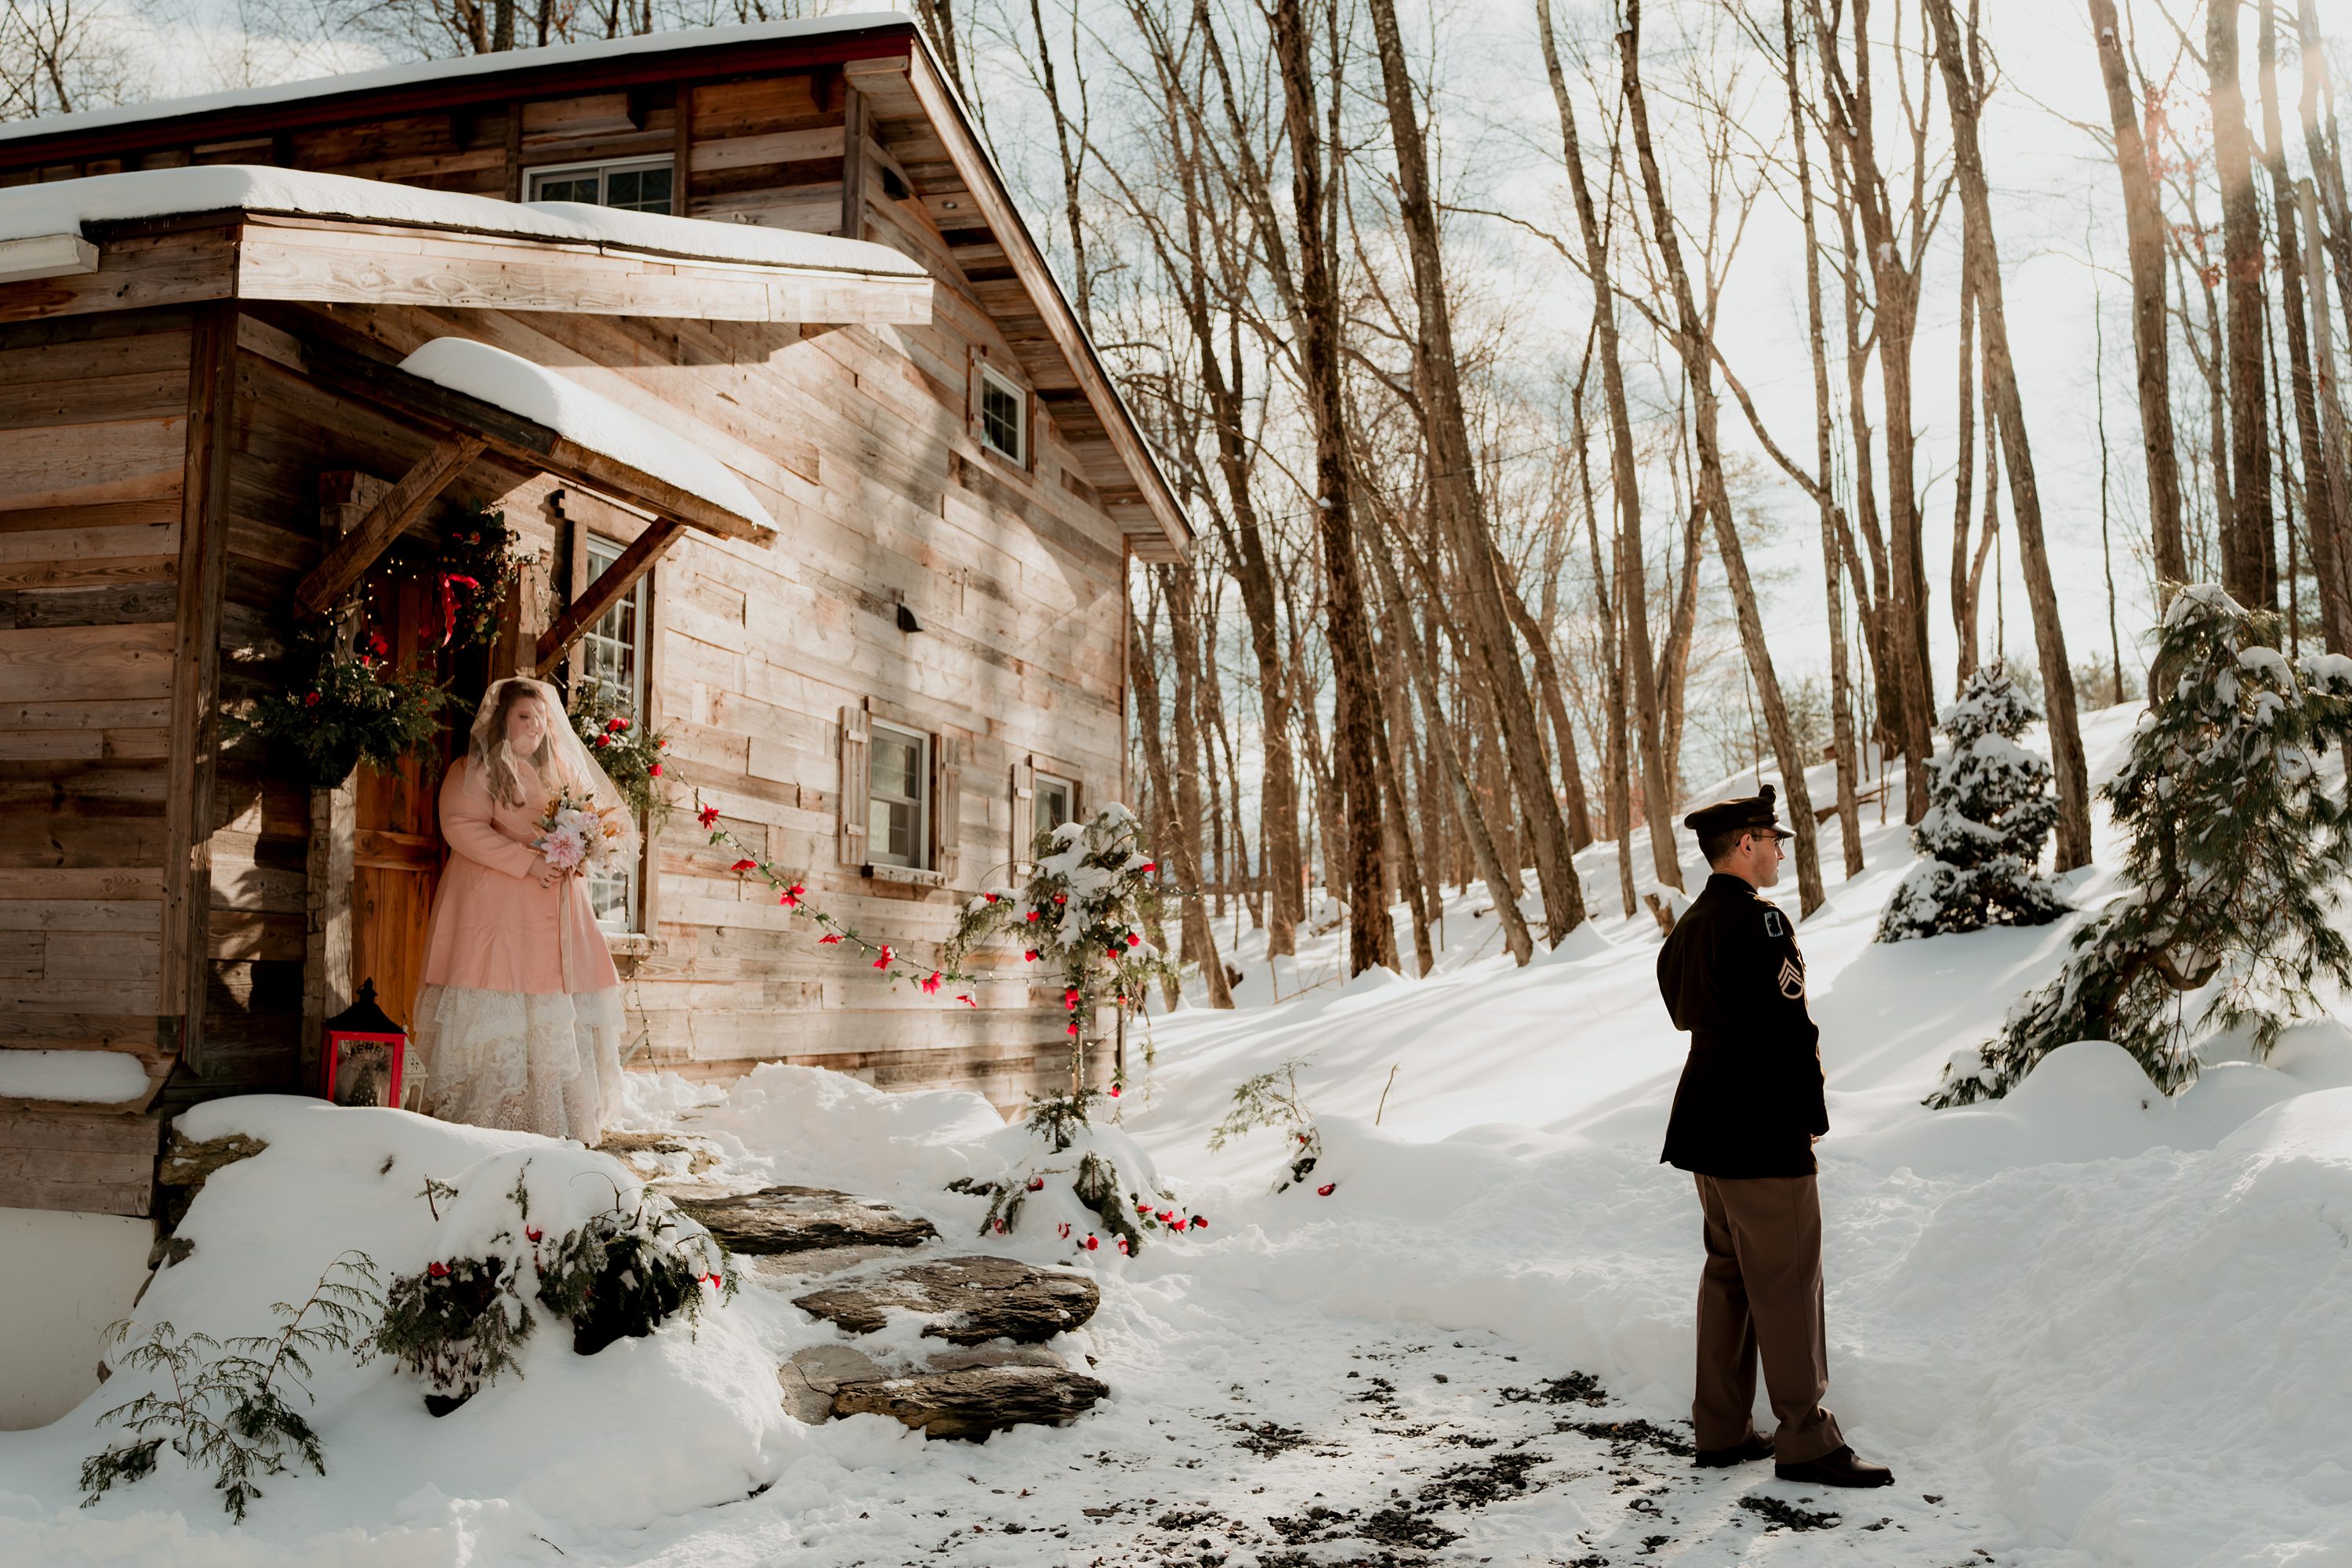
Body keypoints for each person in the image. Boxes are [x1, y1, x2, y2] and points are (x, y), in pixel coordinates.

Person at [1654, 784, 1893, 1489]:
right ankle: (1806, 1440)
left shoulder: (1688, 926)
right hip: (1760, 1126)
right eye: (1774, 840)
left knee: (1728, 1274)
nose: (1782, 850)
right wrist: (1808, 1117)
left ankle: (1721, 1429)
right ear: (1746, 846)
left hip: (1704, 1119)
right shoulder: (1760, 925)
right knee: (1787, 1282)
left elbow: (1681, 1013)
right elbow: (1790, 1030)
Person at [411, 676, 630, 1142]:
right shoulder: (476, 768)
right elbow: (460, 825)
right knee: (504, 1003)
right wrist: (526, 862)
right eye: (523, 717)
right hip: (499, 906)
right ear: (502, 722)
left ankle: (557, 1121)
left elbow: (590, 820)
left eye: (541, 718)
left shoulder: (563, 770)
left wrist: (583, 849)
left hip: (557, 912)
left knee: (553, 1010)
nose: (534, 727)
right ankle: (491, 1120)